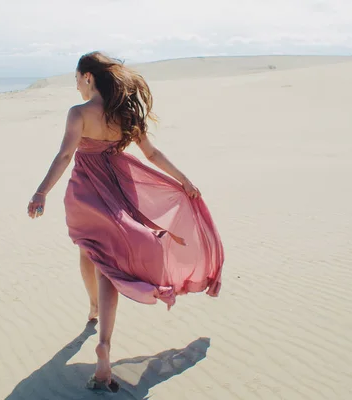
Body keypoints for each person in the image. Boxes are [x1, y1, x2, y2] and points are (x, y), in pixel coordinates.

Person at [27, 51, 224, 393]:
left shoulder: (79, 113)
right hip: (119, 193)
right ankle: (100, 328)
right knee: (104, 260)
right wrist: (184, 180)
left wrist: (41, 192)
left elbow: (64, 156)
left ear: (88, 77)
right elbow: (152, 154)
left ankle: (95, 318)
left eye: (76, 79)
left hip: (86, 194)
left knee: (93, 252)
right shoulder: (126, 113)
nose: (76, 86)